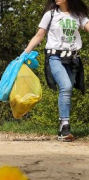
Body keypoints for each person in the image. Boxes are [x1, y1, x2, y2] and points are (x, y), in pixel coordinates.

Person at [21, 0, 89, 142]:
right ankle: (65, 126)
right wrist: (24, 53)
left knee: (67, 91)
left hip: (73, 59)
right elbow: (39, 35)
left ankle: (62, 127)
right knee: (66, 86)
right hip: (55, 57)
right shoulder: (50, 14)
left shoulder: (78, 15)